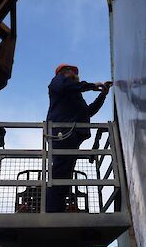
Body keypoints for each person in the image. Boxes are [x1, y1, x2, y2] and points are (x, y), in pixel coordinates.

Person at [46, 64, 111, 212]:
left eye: (74, 72)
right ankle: (52, 212)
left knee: (65, 175)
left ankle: (57, 210)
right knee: (60, 174)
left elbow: (87, 112)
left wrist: (102, 95)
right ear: (63, 73)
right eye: (71, 71)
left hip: (71, 136)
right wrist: (93, 86)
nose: (74, 74)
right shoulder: (57, 82)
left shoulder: (73, 94)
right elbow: (66, 86)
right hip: (63, 133)